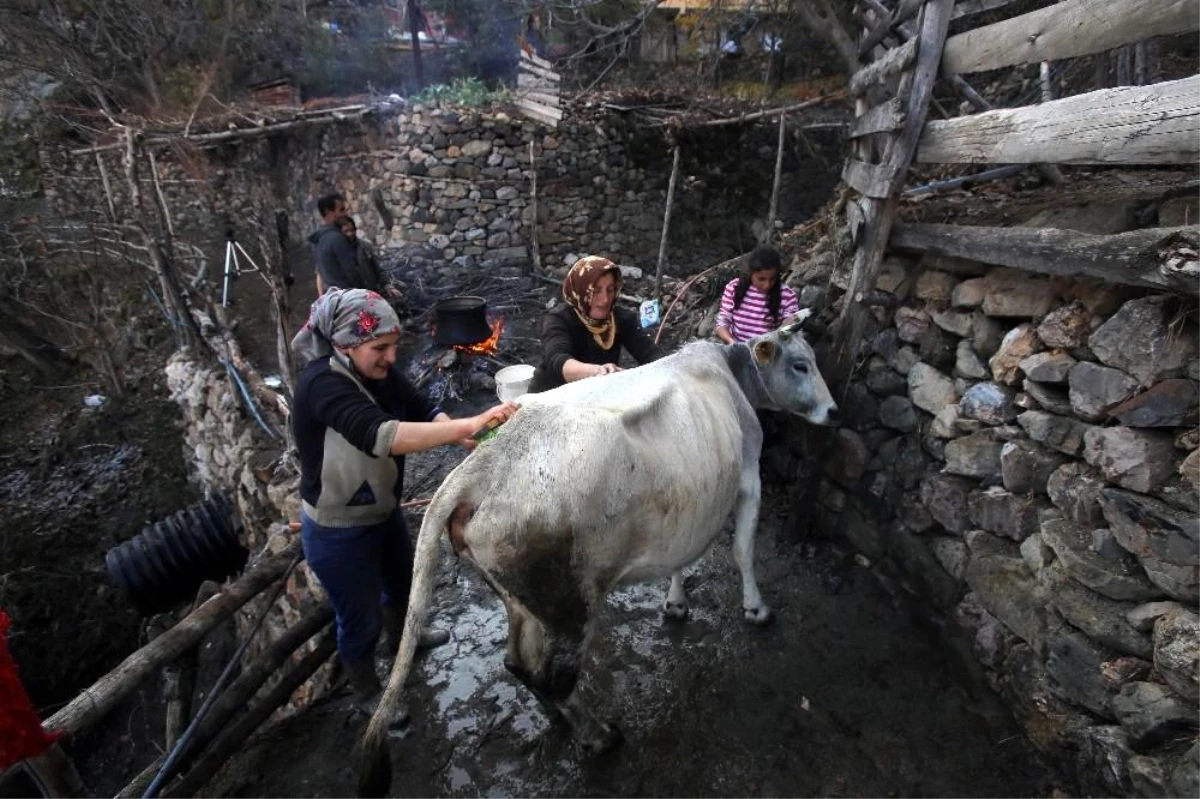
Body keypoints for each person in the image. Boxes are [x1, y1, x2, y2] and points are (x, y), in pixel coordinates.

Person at [291, 288, 518, 712]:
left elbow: (419, 405)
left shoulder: (375, 372)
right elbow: (385, 436)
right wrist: (466, 424)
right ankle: (367, 693)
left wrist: (452, 426)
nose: (391, 358)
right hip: (338, 527)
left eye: (393, 346)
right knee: (359, 618)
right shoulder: (322, 384)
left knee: (400, 584)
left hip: (381, 511)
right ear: (345, 344)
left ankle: (403, 644)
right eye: (380, 348)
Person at [528, 255, 664, 393]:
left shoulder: (620, 319)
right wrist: (598, 371)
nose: (605, 299)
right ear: (580, 291)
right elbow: (558, 360)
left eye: (610, 290)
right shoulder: (559, 319)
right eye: (595, 291)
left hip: (595, 395)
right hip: (552, 397)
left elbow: (651, 354)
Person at [714, 246, 801, 344]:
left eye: (772, 279)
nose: (767, 285)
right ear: (751, 273)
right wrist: (731, 342)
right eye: (761, 279)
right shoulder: (734, 288)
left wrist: (787, 326)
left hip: (770, 352)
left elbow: (790, 329)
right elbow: (722, 322)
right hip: (738, 348)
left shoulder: (787, 296)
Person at [335, 215, 404, 303]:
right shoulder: (336, 252)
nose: (350, 234)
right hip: (351, 300)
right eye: (346, 231)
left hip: (371, 295)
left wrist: (388, 286)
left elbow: (378, 269)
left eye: (352, 230)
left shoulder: (365, 247)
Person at [308, 192, 360, 296]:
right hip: (349, 297)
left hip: (332, 297)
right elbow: (352, 272)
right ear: (329, 212)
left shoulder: (318, 240)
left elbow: (321, 274)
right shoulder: (337, 239)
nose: (345, 213)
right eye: (341, 210)